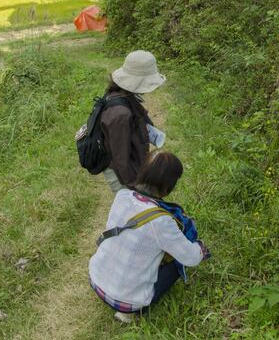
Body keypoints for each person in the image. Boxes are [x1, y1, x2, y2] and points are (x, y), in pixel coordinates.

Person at [89, 151, 210, 323]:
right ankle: (128, 314)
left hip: (96, 279)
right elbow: (190, 258)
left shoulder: (121, 196)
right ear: (168, 187)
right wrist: (200, 248)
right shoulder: (162, 221)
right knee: (178, 262)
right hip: (127, 301)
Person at [100, 50, 166, 193]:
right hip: (121, 172)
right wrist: (135, 185)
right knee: (130, 211)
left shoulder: (123, 94)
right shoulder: (120, 114)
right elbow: (120, 157)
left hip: (131, 161)